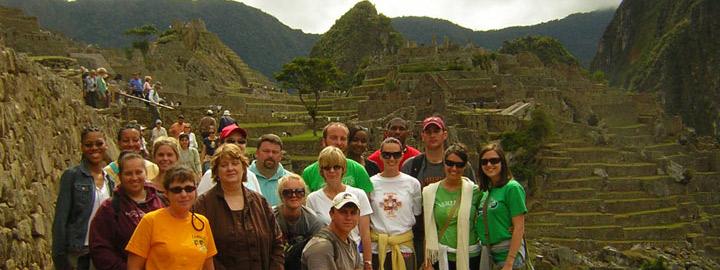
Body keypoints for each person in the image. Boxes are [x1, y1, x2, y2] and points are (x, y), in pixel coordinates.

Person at [194, 143, 284, 269]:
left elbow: (277, 242)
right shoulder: (203, 205)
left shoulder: (260, 202)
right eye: (224, 165)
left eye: (235, 163)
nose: (230, 168)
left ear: (243, 168)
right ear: (216, 172)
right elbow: (200, 249)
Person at [125, 166, 216, 270]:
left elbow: (208, 266)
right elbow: (133, 266)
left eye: (189, 189)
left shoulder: (202, 223)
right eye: (177, 190)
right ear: (166, 193)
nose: (184, 194)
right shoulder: (150, 221)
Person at [89, 152, 165, 270]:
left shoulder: (161, 202)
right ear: (120, 176)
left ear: (146, 173)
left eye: (138, 172)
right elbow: (100, 248)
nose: (134, 178)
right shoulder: (109, 208)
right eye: (128, 174)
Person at [52, 126, 114, 270]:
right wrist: (59, 256)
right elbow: (61, 218)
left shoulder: (109, 181)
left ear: (106, 145)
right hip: (78, 251)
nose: (94, 148)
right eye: (88, 145)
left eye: (99, 144)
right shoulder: (72, 176)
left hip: (102, 251)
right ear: (81, 147)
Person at [306, 146, 374, 269]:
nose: (332, 171)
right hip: (326, 255)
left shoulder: (359, 194)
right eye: (327, 167)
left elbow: (365, 233)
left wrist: (368, 262)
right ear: (321, 171)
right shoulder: (312, 198)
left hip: (354, 256)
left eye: (336, 167)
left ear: (343, 169)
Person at [422, 143, 481, 270]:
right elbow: (429, 227)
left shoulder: (475, 191)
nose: (454, 168)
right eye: (449, 163)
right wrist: (427, 261)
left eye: (459, 165)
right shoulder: (430, 192)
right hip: (441, 258)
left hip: (470, 257)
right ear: (444, 163)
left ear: (465, 166)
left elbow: (490, 212)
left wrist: (509, 226)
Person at [368, 137, 422, 270]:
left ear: (402, 155)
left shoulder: (412, 183)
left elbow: (416, 212)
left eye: (396, 154)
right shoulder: (370, 183)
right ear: (380, 156)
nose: (391, 159)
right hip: (378, 248)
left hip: (403, 247)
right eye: (387, 154)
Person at [475, 144, 528, 270]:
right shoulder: (485, 192)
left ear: (502, 163)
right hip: (490, 255)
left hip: (508, 257)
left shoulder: (512, 188)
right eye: (484, 162)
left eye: (494, 160)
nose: (489, 165)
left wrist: (509, 262)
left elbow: (519, 227)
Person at [402, 116, 476, 187]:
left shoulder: (461, 165)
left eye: (436, 131)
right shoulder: (410, 166)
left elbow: (473, 193)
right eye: (428, 132)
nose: (432, 135)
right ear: (422, 136)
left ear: (445, 135)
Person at [302, 122, 373, 193]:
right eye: (334, 138)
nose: (339, 143)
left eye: (343, 139)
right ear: (324, 141)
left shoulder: (358, 170)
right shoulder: (309, 173)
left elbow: (366, 200)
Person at [272, 173, 324, 270]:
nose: (294, 196)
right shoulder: (270, 218)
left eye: (299, 192)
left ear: (305, 195)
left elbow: (317, 256)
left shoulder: (313, 221)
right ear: (281, 195)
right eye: (287, 192)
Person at [302, 192, 364, 270]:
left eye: (353, 213)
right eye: (343, 212)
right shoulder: (321, 246)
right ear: (332, 214)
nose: (348, 217)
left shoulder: (352, 243)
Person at [197, 124, 262, 195]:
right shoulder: (210, 176)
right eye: (231, 141)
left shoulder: (251, 176)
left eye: (241, 141)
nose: (236, 144)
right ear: (220, 144)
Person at [250, 134, 291, 206]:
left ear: (280, 156)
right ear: (257, 153)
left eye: (275, 152)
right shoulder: (243, 178)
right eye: (266, 151)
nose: (270, 155)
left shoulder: (291, 180)